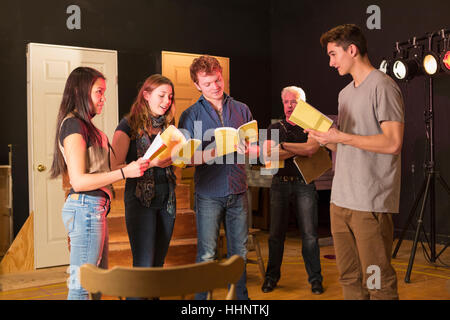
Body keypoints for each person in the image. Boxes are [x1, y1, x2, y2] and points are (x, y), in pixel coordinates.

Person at [306, 24, 404, 300]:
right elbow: (347, 144)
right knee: (349, 276)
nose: (330, 62)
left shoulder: (383, 86)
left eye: (333, 54)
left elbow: (393, 142)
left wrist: (342, 137)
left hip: (370, 201)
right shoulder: (345, 93)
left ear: (352, 50)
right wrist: (326, 139)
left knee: (377, 281)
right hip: (340, 201)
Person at [50, 67, 148, 300]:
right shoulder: (73, 125)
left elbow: (103, 170)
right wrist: (125, 172)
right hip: (86, 208)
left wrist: (141, 165)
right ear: (79, 91)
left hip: (93, 209)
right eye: (99, 92)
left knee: (95, 284)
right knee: (82, 286)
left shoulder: (85, 126)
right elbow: (80, 181)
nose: (104, 97)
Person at [178, 55, 253, 300]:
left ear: (222, 75)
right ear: (197, 85)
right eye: (207, 83)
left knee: (239, 253)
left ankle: (240, 300)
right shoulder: (189, 115)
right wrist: (215, 151)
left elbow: (253, 148)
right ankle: (203, 303)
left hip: (239, 189)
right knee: (207, 254)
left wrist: (249, 148)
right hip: (208, 194)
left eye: (218, 80)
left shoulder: (242, 109)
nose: (215, 87)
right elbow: (184, 159)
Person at [111, 74, 176, 276]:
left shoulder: (168, 127)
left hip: (167, 201)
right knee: (144, 266)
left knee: (158, 265)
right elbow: (114, 167)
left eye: (170, 97)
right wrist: (151, 163)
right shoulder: (127, 126)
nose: (167, 102)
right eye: (162, 95)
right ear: (146, 95)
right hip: (140, 202)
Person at [261, 86, 324, 295]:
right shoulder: (274, 128)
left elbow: (311, 149)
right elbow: (268, 156)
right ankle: (271, 278)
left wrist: (283, 147)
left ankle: (315, 280)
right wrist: (297, 148)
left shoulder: (312, 126)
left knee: (309, 235)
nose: (289, 106)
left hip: (304, 183)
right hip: (279, 184)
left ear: (302, 104)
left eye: (294, 102)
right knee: (276, 235)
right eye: (286, 102)